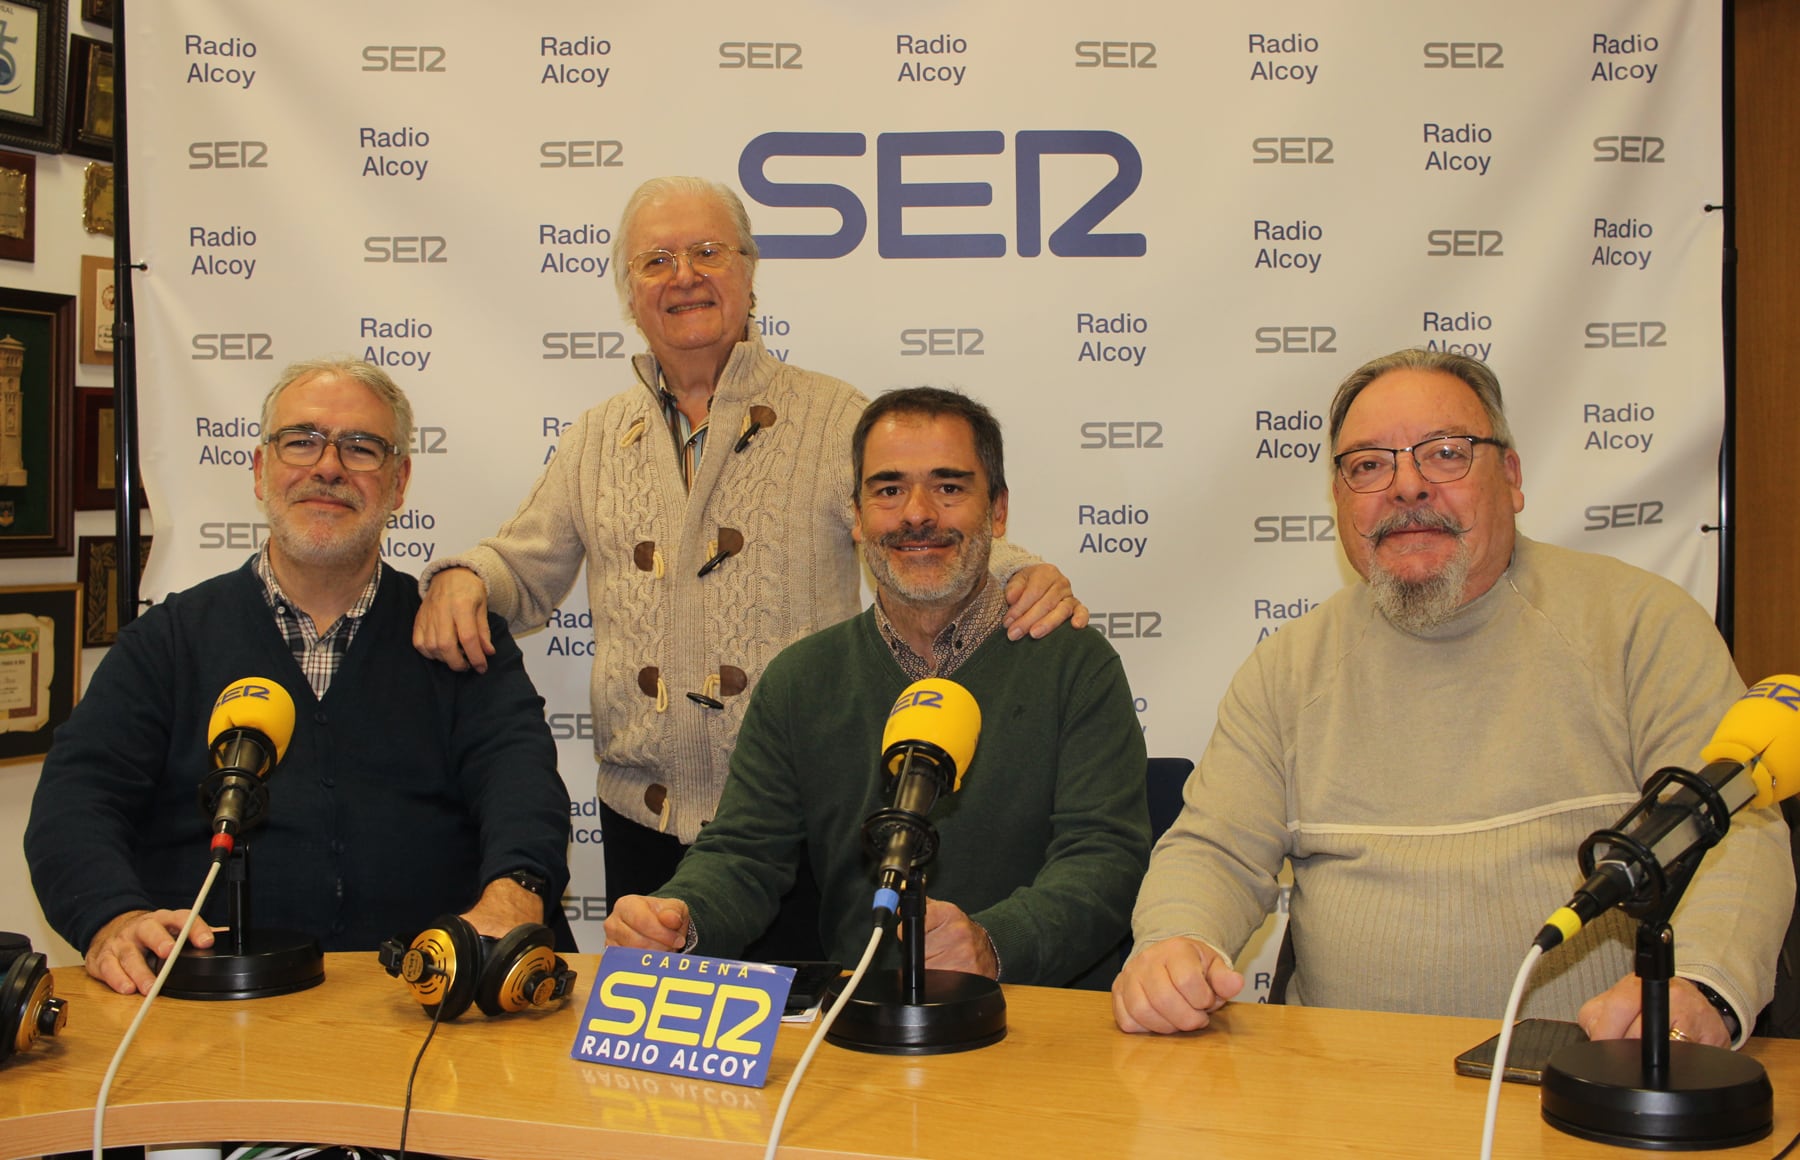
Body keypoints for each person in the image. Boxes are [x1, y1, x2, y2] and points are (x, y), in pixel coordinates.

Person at [412, 176, 1084, 918]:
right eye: (656, 261)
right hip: (642, 823)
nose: (684, 276)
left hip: (807, 823)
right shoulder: (596, 437)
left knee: (820, 996)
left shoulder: (833, 416)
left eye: (708, 252)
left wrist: (1023, 576)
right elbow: (521, 566)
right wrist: (466, 577)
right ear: (630, 295)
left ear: (749, 272)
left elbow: (915, 529)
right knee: (657, 993)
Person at [1114, 348, 1794, 1044]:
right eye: (1369, 465)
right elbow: (1215, 850)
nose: (1407, 487)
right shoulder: (1287, 668)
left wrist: (1703, 986)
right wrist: (1175, 942)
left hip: (1583, 1077)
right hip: (1339, 1084)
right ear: (1339, 499)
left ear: (1512, 477)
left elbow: (1739, 829)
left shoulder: (1638, 624)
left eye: (1445, 454)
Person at [25, 358, 572, 995]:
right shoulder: (170, 640)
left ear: (398, 483)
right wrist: (111, 918)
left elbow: (521, 784)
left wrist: (516, 891)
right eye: (301, 441)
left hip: (423, 1000)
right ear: (261, 471)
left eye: (361, 447)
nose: (328, 467)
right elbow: (76, 801)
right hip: (210, 1002)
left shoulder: (461, 639)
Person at [603, 388, 1148, 988]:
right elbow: (744, 854)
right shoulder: (801, 680)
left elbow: (1106, 858)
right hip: (860, 1016)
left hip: (1040, 1016)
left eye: (948, 487)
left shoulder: (1075, 664)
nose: (917, 514)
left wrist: (994, 945)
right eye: (888, 490)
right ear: (857, 518)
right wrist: (680, 919)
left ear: (997, 512)